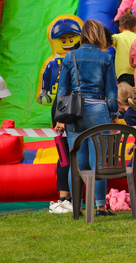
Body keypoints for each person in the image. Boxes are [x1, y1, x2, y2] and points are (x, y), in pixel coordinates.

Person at [53, 20, 118, 217]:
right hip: (99, 112)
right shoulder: (105, 58)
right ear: (99, 35)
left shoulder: (70, 56)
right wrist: (113, 115)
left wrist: (60, 117)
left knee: (78, 165)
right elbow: (111, 92)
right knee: (99, 163)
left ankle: (77, 208)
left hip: (75, 114)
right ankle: (100, 207)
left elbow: (62, 90)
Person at [112, 13, 136, 86]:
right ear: (134, 28)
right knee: (135, 95)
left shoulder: (118, 37)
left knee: (124, 95)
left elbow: (109, 40)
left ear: (120, 28)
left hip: (122, 72)